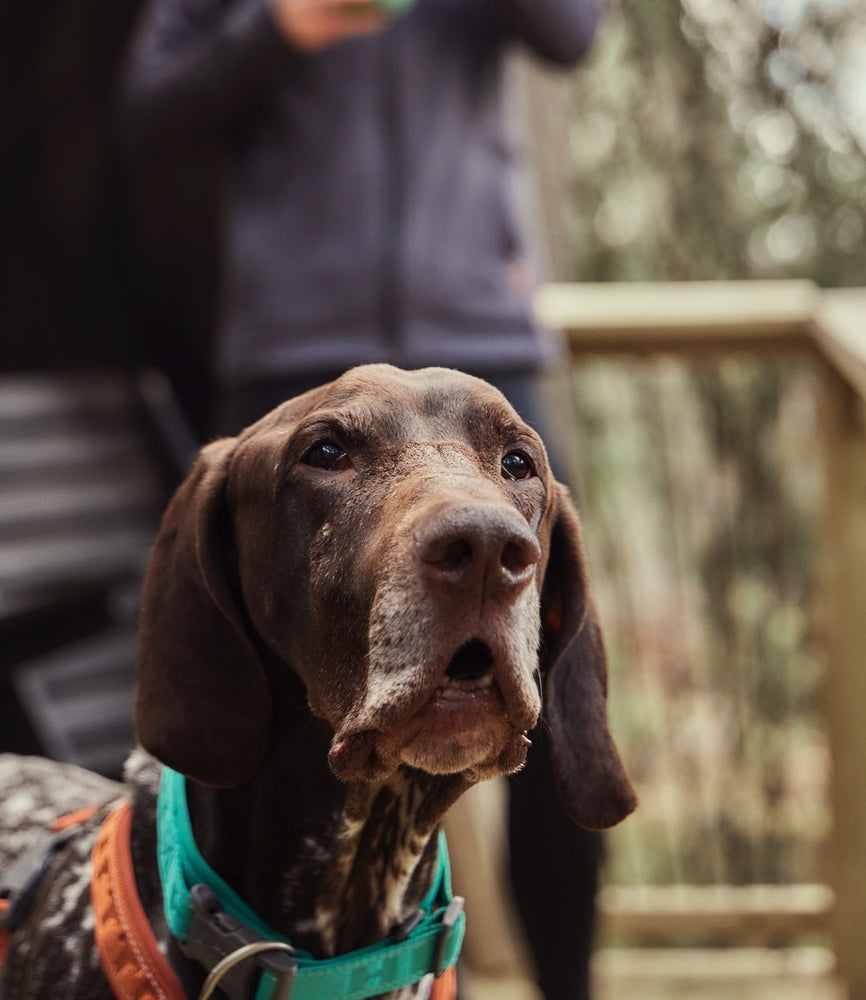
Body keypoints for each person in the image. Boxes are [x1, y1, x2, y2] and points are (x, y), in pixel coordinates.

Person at [119, 1, 603, 997]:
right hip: (294, 372)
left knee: (557, 726)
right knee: (255, 713)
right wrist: (279, 25)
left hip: (483, 347)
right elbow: (150, 109)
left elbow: (570, 31)